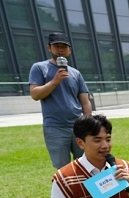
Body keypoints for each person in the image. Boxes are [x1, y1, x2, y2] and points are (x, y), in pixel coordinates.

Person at [29, 32, 92, 169]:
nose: (60, 49)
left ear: (69, 50)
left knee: (85, 165)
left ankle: (85, 191)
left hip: (78, 126)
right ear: (49, 48)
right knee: (62, 168)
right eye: (56, 46)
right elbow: (35, 94)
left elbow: (85, 101)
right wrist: (54, 82)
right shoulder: (39, 68)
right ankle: (66, 190)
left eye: (64, 46)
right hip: (55, 128)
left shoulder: (75, 73)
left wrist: (88, 124)